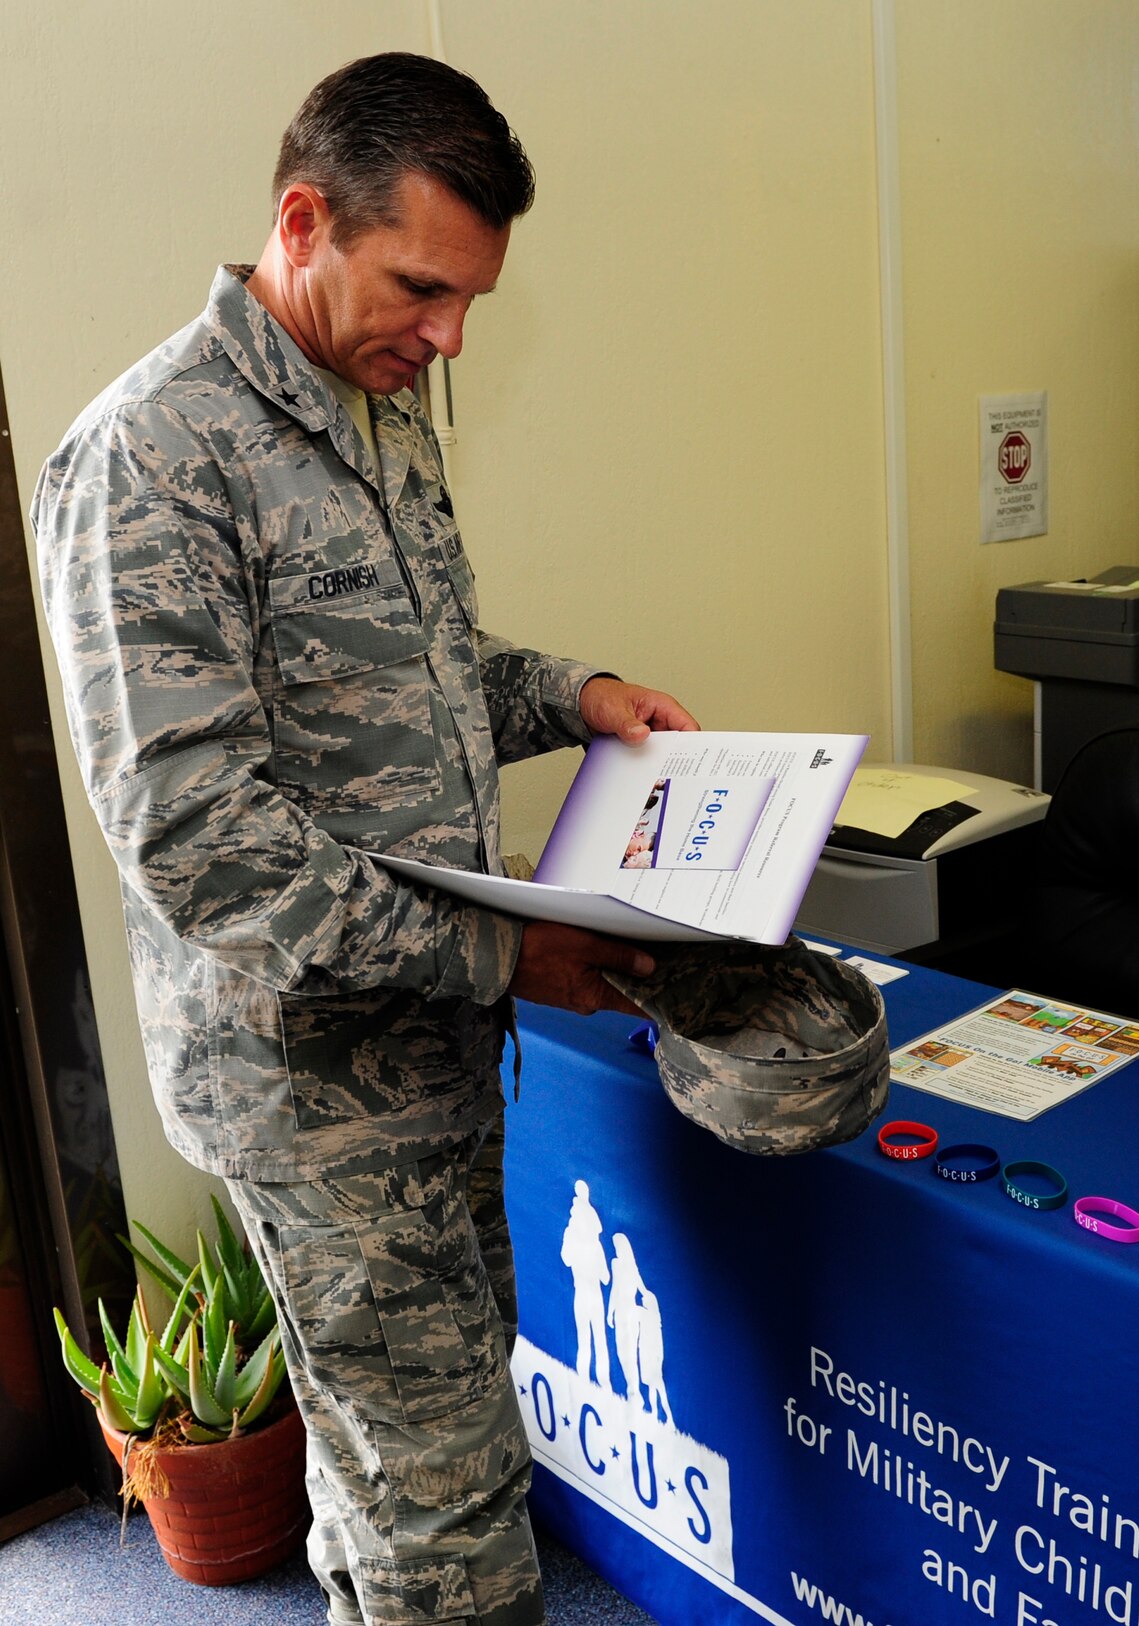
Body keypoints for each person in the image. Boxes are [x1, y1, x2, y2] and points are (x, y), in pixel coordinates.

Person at [34, 54, 693, 1626]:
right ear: (303, 218)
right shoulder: (151, 457)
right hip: (314, 1091)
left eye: (471, 299)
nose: (451, 334)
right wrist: (511, 948)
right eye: (423, 286)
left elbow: (412, 675)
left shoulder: (373, 406)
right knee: (449, 1515)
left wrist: (572, 691)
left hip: (437, 1050)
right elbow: (199, 837)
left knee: (400, 1462)